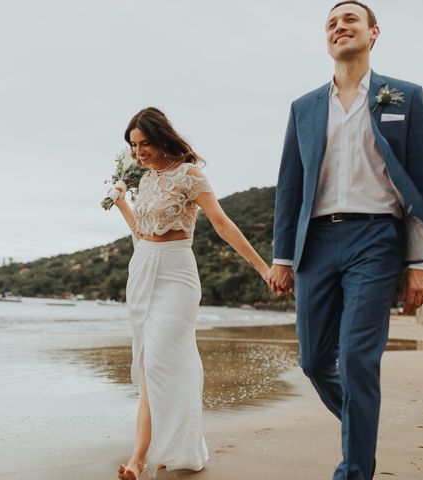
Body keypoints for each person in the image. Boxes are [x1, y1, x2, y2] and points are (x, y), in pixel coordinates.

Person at [267, 2, 423, 478]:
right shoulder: (304, 107)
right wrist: (282, 256)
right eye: (331, 23)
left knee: (359, 358)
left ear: (373, 33)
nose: (339, 27)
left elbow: (422, 183)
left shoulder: (404, 96)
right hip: (315, 242)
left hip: (377, 238)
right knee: (315, 361)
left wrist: (421, 262)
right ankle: (361, 427)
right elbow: (289, 186)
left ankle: (355, 469)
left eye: (350, 20)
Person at [111, 107, 270, 479]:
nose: (139, 153)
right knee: (151, 362)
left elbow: (222, 223)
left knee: (167, 360)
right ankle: (153, 450)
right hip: (143, 269)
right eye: (134, 147)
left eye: (144, 143)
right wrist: (122, 204)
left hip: (176, 273)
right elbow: (142, 233)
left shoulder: (190, 175)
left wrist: (262, 268)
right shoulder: (146, 181)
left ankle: (141, 457)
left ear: (162, 137)